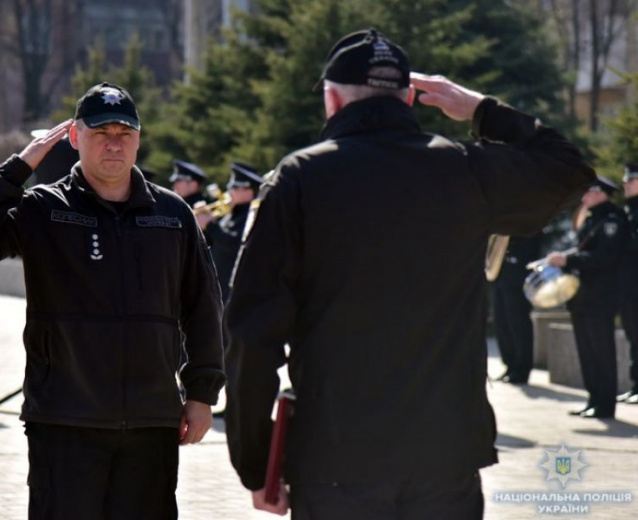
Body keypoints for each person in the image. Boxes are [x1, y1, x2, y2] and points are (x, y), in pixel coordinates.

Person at [224, 29, 594, 518]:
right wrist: (482, 109)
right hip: (445, 460)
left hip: (338, 459)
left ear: (332, 99)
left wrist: (259, 464)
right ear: (408, 98)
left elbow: (252, 336)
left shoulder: (299, 180)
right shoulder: (465, 169)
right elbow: (568, 170)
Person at [0, 82, 225, 519]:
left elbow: (203, 306)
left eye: (124, 134)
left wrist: (202, 393)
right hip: (65, 421)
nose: (114, 145)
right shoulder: (44, 208)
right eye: (100, 134)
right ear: (75, 137)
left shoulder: (172, 216)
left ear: (138, 139)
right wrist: (18, 169)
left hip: (151, 423)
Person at [547, 176, 626, 419]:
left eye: (588, 193)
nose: (583, 198)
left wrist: (568, 260)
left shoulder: (612, 221)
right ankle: (593, 400)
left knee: (601, 351)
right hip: (581, 296)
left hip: (600, 297)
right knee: (587, 352)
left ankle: (605, 405)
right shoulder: (591, 220)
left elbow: (604, 258)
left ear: (601, 193)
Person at [196, 162, 264, 302]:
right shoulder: (232, 214)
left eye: (235, 187)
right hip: (219, 286)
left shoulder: (253, 215)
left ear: (249, 191)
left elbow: (235, 243)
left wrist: (210, 225)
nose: (229, 191)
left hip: (236, 291)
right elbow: (214, 243)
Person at [492, 233, 542, 384]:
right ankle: (510, 364)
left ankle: (521, 369)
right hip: (501, 274)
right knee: (502, 323)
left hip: (518, 274)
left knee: (518, 324)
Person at [618, 163, 638, 404]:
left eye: (631, 180)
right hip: (628, 285)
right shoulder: (628, 211)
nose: (626, 184)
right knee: (633, 336)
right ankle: (635, 385)